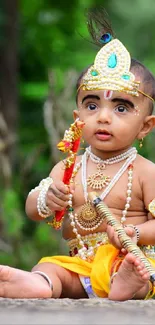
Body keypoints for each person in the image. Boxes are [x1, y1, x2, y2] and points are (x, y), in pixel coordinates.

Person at [1, 8, 155, 301]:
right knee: (54, 267)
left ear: (145, 127)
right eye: (92, 105)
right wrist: (47, 198)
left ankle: (127, 285)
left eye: (121, 108)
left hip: (129, 259)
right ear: (77, 116)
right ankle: (39, 283)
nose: (103, 118)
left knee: (139, 268)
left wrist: (133, 234)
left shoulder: (146, 171)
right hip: (80, 263)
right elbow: (33, 209)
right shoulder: (69, 167)